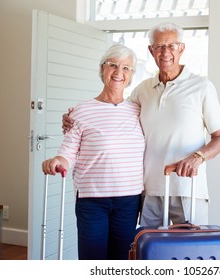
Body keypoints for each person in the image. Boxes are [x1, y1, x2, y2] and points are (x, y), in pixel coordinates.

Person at [63, 22, 220, 228]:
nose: (165, 52)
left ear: (182, 48)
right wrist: (73, 119)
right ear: (151, 50)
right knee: (149, 253)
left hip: (188, 188)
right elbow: (115, 114)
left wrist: (198, 157)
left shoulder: (202, 86)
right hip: (149, 190)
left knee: (189, 251)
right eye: (159, 46)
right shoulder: (142, 90)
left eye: (171, 46)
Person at [42, 44, 145, 260]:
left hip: (129, 199)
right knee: (93, 259)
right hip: (92, 199)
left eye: (126, 68)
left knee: (122, 260)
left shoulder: (138, 110)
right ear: (102, 69)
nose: (119, 72)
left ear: (132, 75)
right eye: (113, 65)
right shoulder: (82, 110)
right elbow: (69, 150)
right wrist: (58, 160)